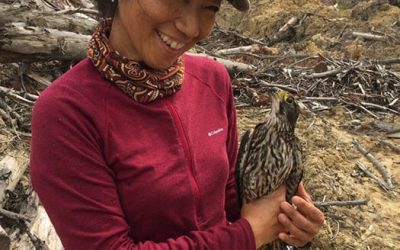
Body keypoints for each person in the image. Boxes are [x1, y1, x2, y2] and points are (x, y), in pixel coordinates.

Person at [30, 0, 324, 249]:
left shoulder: (213, 80)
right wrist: (250, 233)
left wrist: (287, 220)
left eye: (209, 7)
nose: (191, 28)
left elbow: (230, 195)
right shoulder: (66, 114)